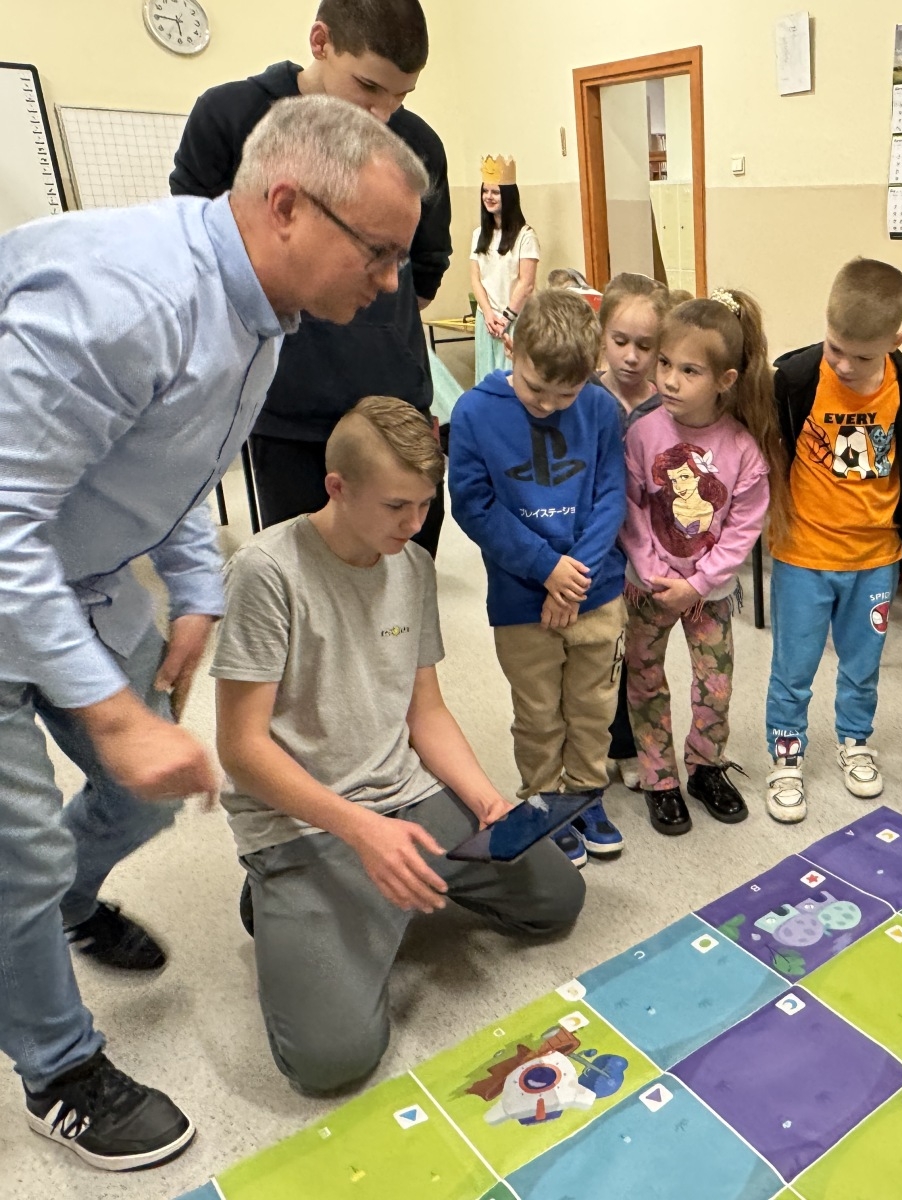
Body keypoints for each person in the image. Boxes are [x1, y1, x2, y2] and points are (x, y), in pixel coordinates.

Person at [0, 94, 428, 1172]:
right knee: (18, 851)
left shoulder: (261, 317)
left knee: (145, 796)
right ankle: (59, 1069)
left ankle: (65, 908)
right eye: (378, 253)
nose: (390, 283)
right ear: (287, 206)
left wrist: (195, 590)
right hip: (11, 564)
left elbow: (178, 461)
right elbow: (4, 517)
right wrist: (110, 711)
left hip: (82, 575)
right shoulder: (124, 300)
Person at [213, 397, 584, 1092]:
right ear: (337, 487)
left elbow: (426, 710)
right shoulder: (266, 571)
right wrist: (363, 832)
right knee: (332, 1061)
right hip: (303, 819)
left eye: (424, 505)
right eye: (395, 506)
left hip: (402, 795)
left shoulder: (411, 565)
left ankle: (350, 905)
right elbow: (240, 749)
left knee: (557, 899)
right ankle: (284, 894)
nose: (414, 523)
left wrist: (487, 801)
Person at [171, 0, 452, 557]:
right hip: (288, 415)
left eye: (401, 96)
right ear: (320, 42)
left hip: (397, 410)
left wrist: (368, 323)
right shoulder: (231, 117)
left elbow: (424, 273)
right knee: (303, 582)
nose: (382, 114)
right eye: (368, 87)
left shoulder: (418, 142)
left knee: (405, 576)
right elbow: (199, 254)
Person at [449, 290, 628, 866]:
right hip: (521, 598)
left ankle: (585, 794)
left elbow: (611, 496)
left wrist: (573, 580)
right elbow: (473, 506)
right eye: (535, 389)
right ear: (512, 348)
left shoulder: (600, 408)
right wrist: (545, 568)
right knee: (538, 712)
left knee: (593, 706)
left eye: (565, 394)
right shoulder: (474, 412)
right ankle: (545, 800)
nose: (549, 406)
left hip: (596, 591)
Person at [763, 258, 902, 821]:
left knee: (862, 665)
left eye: (862, 357)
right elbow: (770, 453)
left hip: (875, 558)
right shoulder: (794, 379)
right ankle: (786, 753)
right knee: (794, 667)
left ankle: (855, 741)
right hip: (803, 554)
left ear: (895, 341)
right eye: (836, 348)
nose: (844, 364)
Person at [621, 290, 776, 834]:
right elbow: (630, 509)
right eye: (664, 363)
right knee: (644, 681)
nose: (668, 380)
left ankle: (706, 768)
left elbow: (744, 528)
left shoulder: (742, 450)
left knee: (715, 686)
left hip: (708, 594)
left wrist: (700, 582)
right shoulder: (641, 434)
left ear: (724, 380)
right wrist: (651, 570)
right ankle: (659, 778)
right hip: (648, 587)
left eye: (689, 371)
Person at [592, 272, 674, 790]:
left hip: (647, 552)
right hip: (596, 548)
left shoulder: (666, 404)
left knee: (637, 654)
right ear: (602, 335)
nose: (631, 357)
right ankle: (588, 743)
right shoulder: (582, 395)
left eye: (645, 346)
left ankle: (626, 744)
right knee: (595, 652)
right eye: (620, 341)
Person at [471, 154, 539, 381]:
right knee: (486, 379)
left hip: (515, 319)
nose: (488, 197)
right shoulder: (478, 235)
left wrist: (506, 318)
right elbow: (476, 279)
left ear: (508, 196)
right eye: (485, 191)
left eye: (495, 192)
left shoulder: (525, 236)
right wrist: (488, 314)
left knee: (514, 379)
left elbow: (526, 283)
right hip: (487, 320)